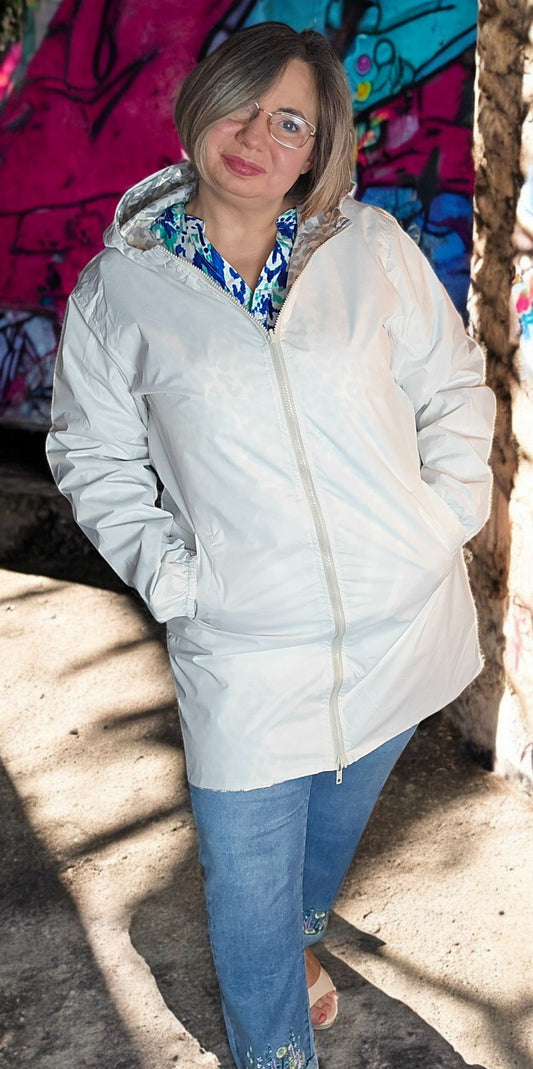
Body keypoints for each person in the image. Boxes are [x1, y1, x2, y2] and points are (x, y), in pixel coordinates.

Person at [46, 21, 495, 1069]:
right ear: (198, 109)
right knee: (245, 898)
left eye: (288, 121)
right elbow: (92, 457)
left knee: (329, 836)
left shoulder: (368, 250)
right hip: (244, 644)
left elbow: (449, 386)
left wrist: (440, 521)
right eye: (240, 107)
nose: (256, 135)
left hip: (399, 620)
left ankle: (305, 933)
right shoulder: (121, 290)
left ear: (316, 146)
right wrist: (177, 581)